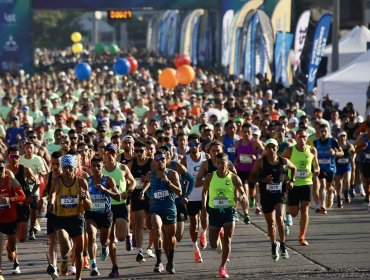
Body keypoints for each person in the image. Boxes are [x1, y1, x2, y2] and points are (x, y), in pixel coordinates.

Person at [201, 152, 246, 278]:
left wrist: (242, 196)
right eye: (218, 163)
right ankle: (219, 233)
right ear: (215, 163)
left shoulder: (234, 178)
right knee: (213, 244)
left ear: (228, 163)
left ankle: (222, 267)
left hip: (229, 211)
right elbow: (204, 193)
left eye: (223, 162)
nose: (221, 165)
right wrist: (204, 209)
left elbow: (242, 192)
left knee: (228, 240)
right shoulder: (210, 176)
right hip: (214, 212)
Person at [250, 138, 296, 261]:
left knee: (280, 218)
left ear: (277, 148)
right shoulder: (260, 162)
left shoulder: (283, 161)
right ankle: (273, 245)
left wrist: (292, 180)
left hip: (280, 195)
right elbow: (252, 177)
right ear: (265, 149)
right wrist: (263, 180)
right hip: (266, 196)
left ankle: (283, 245)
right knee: (270, 223)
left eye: (273, 147)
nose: (271, 150)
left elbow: (294, 168)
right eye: (269, 147)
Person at [48, 154, 92, 280]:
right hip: (61, 218)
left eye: (70, 167)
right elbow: (53, 193)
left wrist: (84, 198)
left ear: (75, 168)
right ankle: (64, 258)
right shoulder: (57, 180)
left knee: (78, 252)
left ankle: (78, 278)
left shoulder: (81, 182)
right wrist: (51, 203)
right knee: (65, 246)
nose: (67, 170)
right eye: (65, 167)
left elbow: (89, 205)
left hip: (77, 218)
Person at [102, 143, 136, 278]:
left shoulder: (122, 168)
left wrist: (129, 191)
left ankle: (128, 235)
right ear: (104, 155)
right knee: (110, 240)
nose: (110, 155)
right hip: (107, 207)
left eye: (112, 153)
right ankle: (115, 267)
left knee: (120, 237)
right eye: (107, 153)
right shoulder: (101, 170)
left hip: (121, 205)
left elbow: (132, 181)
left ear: (116, 155)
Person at [145, 149, 181, 274]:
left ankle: (170, 261)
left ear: (167, 160)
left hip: (169, 209)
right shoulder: (150, 175)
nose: (160, 162)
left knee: (170, 238)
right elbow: (148, 188)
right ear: (154, 161)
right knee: (157, 229)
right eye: (157, 159)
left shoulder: (172, 174)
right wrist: (149, 195)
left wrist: (167, 182)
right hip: (156, 209)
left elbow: (179, 192)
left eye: (162, 159)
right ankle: (159, 261)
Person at [281, 130, 319, 246]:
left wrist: (317, 170)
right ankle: (287, 211)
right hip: (293, 183)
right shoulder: (290, 150)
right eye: (300, 136)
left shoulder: (312, 149)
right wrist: (284, 176)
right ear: (296, 137)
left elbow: (316, 164)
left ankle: (302, 236)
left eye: (304, 136)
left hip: (307, 183)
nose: (302, 139)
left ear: (307, 138)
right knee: (294, 213)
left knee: (305, 209)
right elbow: (280, 162)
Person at [86, 156, 120, 276]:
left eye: (98, 166)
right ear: (90, 166)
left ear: (102, 167)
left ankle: (104, 247)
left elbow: (118, 196)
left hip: (105, 214)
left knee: (104, 241)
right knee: (91, 235)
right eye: (93, 166)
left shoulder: (108, 180)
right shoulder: (87, 181)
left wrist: (105, 190)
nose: (96, 168)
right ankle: (93, 265)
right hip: (91, 214)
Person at [180, 134, 207, 263]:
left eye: (195, 144)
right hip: (191, 196)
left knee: (205, 221)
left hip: (204, 194)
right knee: (193, 223)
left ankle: (203, 233)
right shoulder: (185, 160)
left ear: (199, 145)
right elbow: (180, 178)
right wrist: (183, 194)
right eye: (190, 144)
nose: (193, 147)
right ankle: (195, 248)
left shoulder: (205, 158)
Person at [127, 141, 153, 263]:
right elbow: (125, 178)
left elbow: (157, 177)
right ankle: (140, 251)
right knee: (138, 224)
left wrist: (148, 180)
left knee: (150, 224)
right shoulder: (131, 164)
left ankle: (150, 246)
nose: (138, 153)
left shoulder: (151, 162)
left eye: (141, 151)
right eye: (136, 151)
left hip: (150, 196)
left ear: (146, 150)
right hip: (136, 195)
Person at [0, 157, 26, 278]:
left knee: (11, 247)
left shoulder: (10, 180)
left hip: (10, 218)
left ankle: (12, 254)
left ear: (4, 168)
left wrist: (10, 199)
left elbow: (22, 196)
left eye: (1, 169)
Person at [234, 123, 264, 224]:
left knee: (251, 191)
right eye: (245, 132)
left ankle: (252, 198)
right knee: (244, 190)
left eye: (249, 132)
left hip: (252, 171)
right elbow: (235, 156)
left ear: (251, 133)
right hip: (241, 170)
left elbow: (264, 154)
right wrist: (236, 161)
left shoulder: (255, 143)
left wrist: (256, 157)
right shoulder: (237, 143)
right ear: (241, 132)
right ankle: (245, 214)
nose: (246, 134)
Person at [313, 124, 343, 214]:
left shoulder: (333, 141)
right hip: (321, 168)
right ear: (319, 132)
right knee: (322, 185)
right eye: (322, 131)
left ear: (328, 132)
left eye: (325, 131)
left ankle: (331, 192)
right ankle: (323, 205)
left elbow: (342, 152)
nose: (323, 133)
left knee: (328, 187)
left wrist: (335, 153)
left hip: (331, 168)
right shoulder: (315, 142)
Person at [42, 151, 61, 279]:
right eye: (53, 163)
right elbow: (44, 192)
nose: (55, 166)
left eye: (57, 164)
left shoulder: (66, 176)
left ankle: (65, 258)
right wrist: (42, 199)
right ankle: (53, 266)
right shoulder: (48, 177)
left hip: (66, 213)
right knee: (52, 240)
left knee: (65, 243)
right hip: (52, 212)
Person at [335, 131, 355, 206]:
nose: (342, 138)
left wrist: (353, 157)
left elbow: (354, 152)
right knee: (339, 184)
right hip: (338, 167)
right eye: (341, 136)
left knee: (347, 181)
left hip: (346, 166)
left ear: (346, 137)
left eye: (344, 136)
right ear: (338, 138)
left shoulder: (349, 145)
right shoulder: (336, 146)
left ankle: (346, 193)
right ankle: (339, 198)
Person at [355, 120, 370, 210]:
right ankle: (367, 197)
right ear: (367, 128)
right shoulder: (362, 138)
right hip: (364, 162)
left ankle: (368, 198)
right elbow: (356, 150)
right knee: (366, 181)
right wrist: (362, 148)